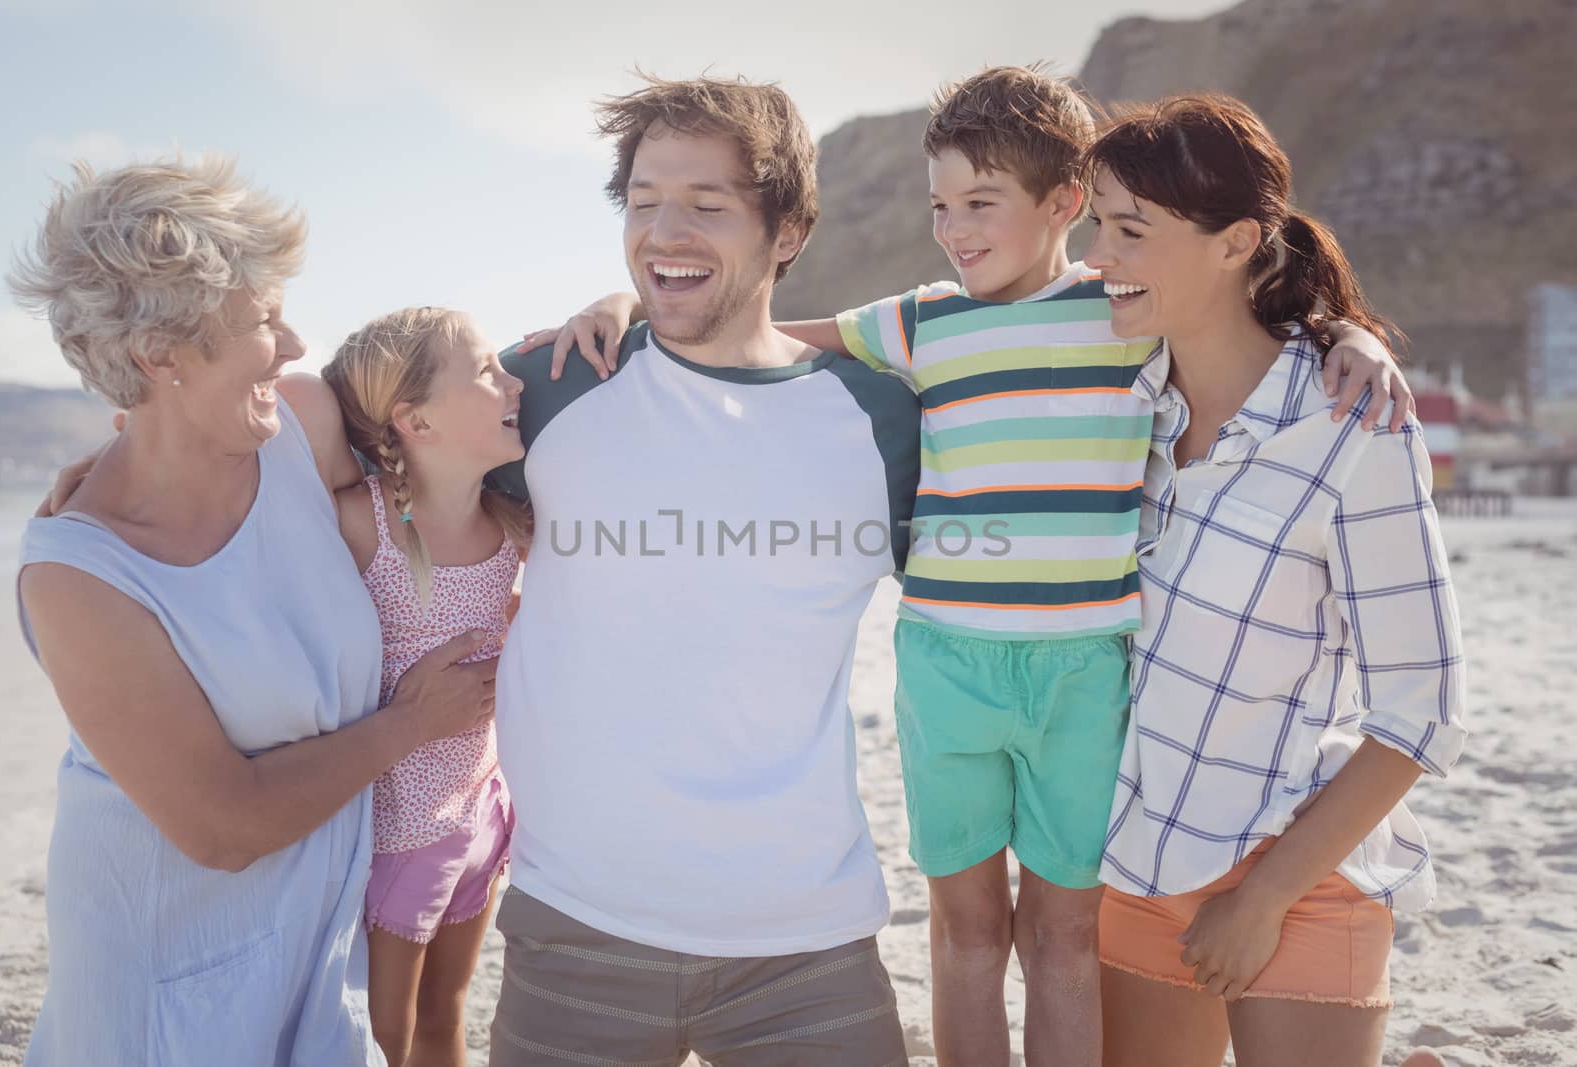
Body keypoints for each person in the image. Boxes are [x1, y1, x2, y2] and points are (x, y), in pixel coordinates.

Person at [532, 65, 1410, 1066]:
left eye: (979, 203)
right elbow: (761, 333)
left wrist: (1349, 335)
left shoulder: (1124, 318)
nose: (953, 228)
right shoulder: (919, 321)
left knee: (1063, 938)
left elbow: (1240, 318)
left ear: (1063, 204)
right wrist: (624, 305)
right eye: (939, 205)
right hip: (945, 664)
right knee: (964, 932)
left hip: (1084, 669)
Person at [8, 159, 496, 1065]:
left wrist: (613, 323)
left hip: (318, 943)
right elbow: (222, 825)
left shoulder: (300, 428)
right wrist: (411, 724)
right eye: (263, 321)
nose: (295, 343)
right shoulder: (80, 577)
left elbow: (460, 417)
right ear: (160, 357)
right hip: (164, 978)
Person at [485, 74, 921, 1065]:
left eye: (706, 206)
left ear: (787, 231)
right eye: (642, 203)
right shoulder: (553, 384)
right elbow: (355, 438)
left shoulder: (880, 418)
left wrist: (1326, 334)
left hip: (808, 949)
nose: (663, 232)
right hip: (573, 932)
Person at [1081, 95, 1467, 1067]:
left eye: (1130, 230)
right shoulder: (1118, 388)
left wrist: (1262, 898)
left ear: (1236, 241)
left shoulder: (1349, 422)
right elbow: (949, 314)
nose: (1097, 254)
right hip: (1135, 855)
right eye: (1095, 223)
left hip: (1296, 870)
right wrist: (629, 306)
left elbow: (1419, 709)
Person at [322, 308, 529, 1067]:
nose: (512, 381)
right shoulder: (361, 523)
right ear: (414, 420)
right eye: (484, 371)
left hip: (483, 811)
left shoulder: (514, 526)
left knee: (447, 1018)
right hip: (399, 835)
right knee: (383, 1038)